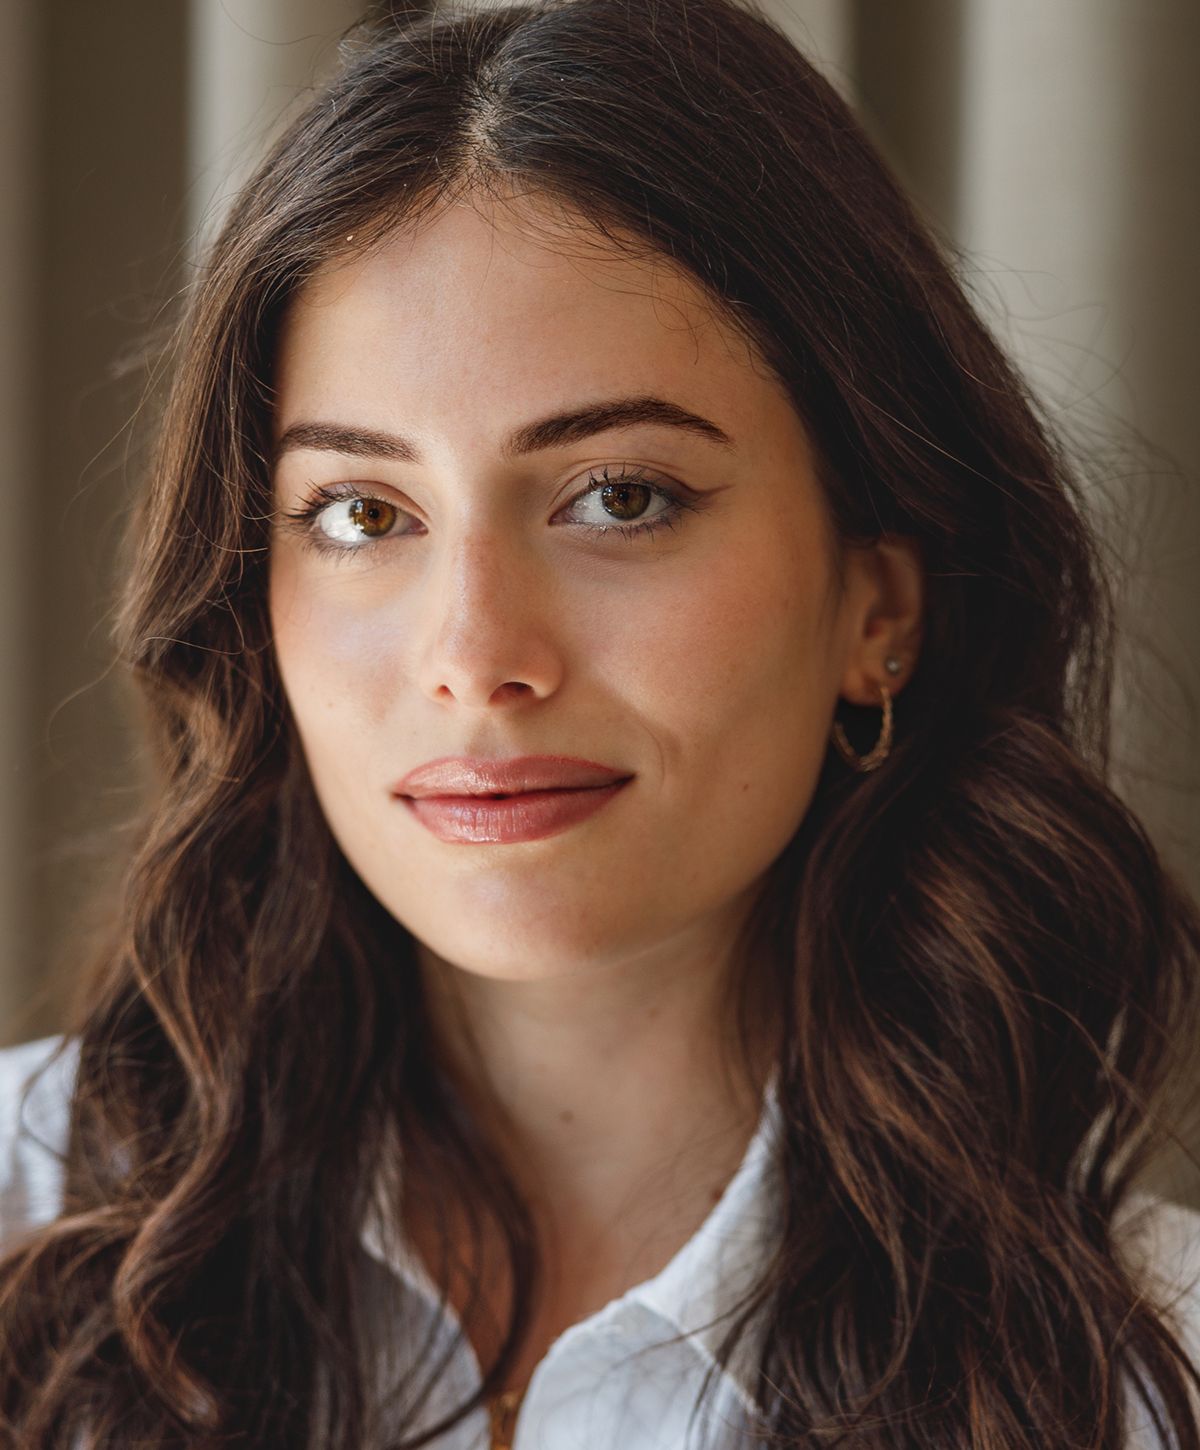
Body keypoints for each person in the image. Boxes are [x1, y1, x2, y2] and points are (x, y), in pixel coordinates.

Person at [2, 0, 1199, 1444]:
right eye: (363, 513)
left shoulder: (1147, 1373)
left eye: (620, 497)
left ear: (878, 605)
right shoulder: (26, 1235)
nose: (475, 657)